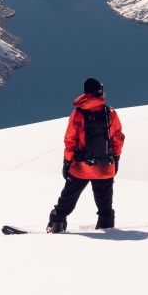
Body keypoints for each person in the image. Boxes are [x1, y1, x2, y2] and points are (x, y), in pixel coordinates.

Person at [47, 77, 125, 233]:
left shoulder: (78, 114)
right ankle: (107, 227)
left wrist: (67, 163)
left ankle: (56, 225)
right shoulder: (110, 112)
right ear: (100, 92)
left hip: (81, 167)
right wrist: (115, 159)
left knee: (67, 199)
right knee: (105, 204)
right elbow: (118, 137)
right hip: (105, 166)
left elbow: (70, 141)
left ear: (86, 93)